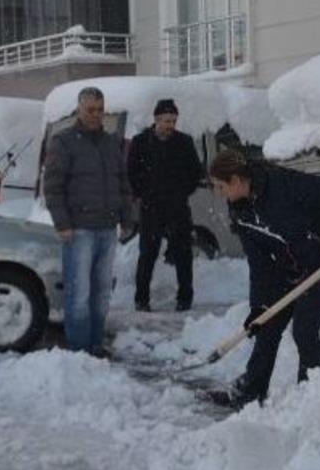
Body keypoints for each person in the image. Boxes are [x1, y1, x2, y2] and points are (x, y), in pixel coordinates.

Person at [207, 148, 320, 408]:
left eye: (220, 187)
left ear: (235, 180)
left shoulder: (281, 184)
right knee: (266, 326)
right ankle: (252, 391)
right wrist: (259, 306)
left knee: (304, 329)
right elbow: (259, 264)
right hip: (289, 268)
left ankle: (312, 395)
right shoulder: (240, 211)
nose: (219, 194)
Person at [43, 86, 132, 356]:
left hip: (106, 228)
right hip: (78, 229)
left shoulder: (110, 142)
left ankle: (95, 344)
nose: (96, 115)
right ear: (79, 109)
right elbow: (53, 186)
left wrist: (127, 219)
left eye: (100, 110)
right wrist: (63, 224)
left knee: (102, 292)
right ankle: (79, 350)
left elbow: (122, 184)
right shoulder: (63, 141)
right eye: (90, 110)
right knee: (79, 293)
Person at [127, 98, 205, 312]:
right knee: (147, 254)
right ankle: (141, 299)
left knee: (183, 254)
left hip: (177, 207)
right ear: (156, 120)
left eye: (173, 121)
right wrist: (143, 193)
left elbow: (195, 172)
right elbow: (131, 172)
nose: (170, 125)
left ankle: (185, 298)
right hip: (151, 208)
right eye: (167, 121)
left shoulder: (184, 142)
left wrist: (182, 191)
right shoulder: (141, 142)